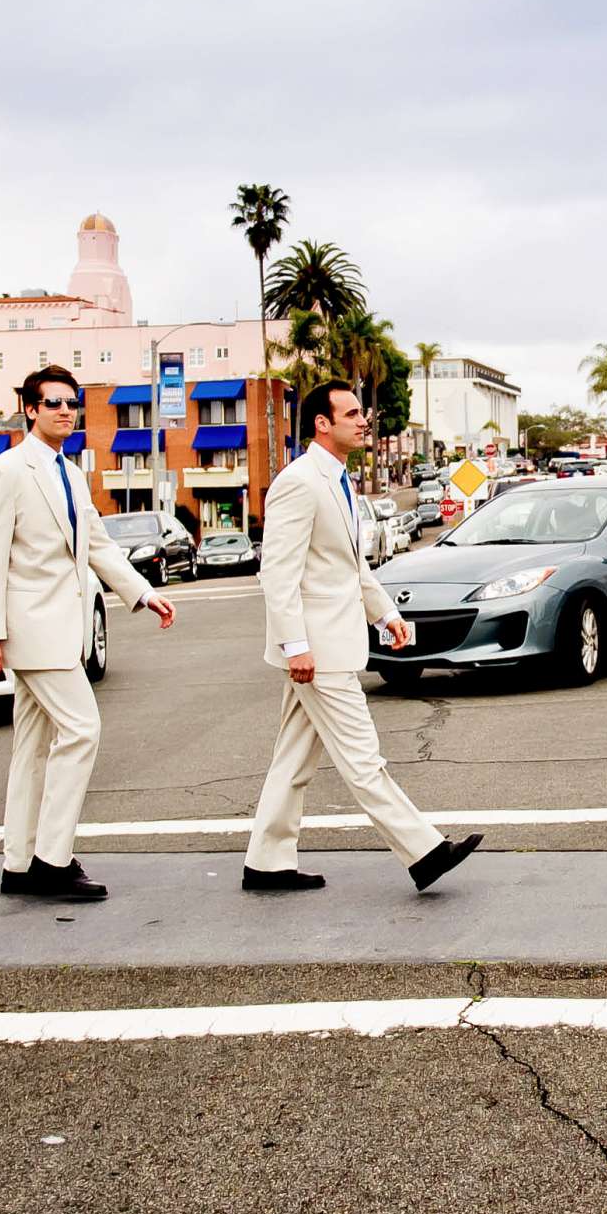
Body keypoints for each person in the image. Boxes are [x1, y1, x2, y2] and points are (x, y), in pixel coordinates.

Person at [246, 381, 481, 894]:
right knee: (362, 758)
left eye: (362, 413)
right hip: (318, 649)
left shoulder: (339, 480)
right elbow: (278, 574)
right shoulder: (299, 482)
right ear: (321, 424)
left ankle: (266, 860)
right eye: (351, 413)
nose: (362, 420)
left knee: (293, 758)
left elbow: (349, 565)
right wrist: (294, 646)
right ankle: (425, 851)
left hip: (331, 640)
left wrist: (385, 613)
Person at [0, 366, 177, 902]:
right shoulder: (8, 472)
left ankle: (18, 864)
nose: (66, 410)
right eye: (54, 402)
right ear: (30, 409)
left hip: (65, 629)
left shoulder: (72, 472)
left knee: (33, 746)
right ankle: (51, 861)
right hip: (32, 631)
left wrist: (141, 592)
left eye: (71, 403)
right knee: (82, 730)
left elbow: (99, 544)